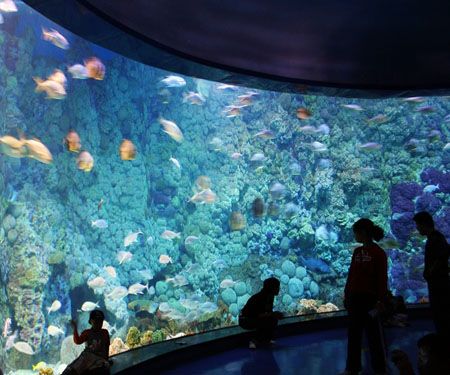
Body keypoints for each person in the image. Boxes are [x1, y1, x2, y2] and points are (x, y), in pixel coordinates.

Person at [342, 218, 388, 375]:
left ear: (363, 233)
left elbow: (382, 278)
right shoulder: (357, 251)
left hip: (370, 300)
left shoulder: (379, 253)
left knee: (374, 335)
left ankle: (380, 369)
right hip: (355, 298)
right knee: (353, 335)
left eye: (355, 232)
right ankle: (352, 368)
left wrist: (381, 300)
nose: (354, 236)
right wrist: (347, 294)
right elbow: (352, 275)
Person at [413, 211, 450, 339]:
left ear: (424, 224)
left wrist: (430, 272)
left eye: (418, 225)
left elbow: (442, 256)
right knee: (439, 313)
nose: (417, 228)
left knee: (441, 313)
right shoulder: (434, 238)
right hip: (436, 283)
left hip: (439, 284)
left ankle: (444, 342)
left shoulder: (436, 238)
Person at [239, 277, 283, 348]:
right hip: (246, 319)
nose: (279, 289)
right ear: (271, 288)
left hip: (254, 317)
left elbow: (267, 312)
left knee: (272, 319)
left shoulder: (270, 297)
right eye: (277, 287)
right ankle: (254, 340)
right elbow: (255, 315)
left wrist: (272, 314)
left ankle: (266, 340)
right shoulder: (259, 298)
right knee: (267, 320)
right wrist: (272, 314)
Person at [62, 310, 111, 375]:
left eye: (100, 321)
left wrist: (106, 360)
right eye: (96, 321)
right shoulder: (89, 333)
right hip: (88, 358)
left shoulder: (103, 332)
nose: (98, 324)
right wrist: (75, 328)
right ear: (91, 321)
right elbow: (78, 341)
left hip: (94, 359)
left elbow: (107, 346)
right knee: (70, 370)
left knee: (72, 370)